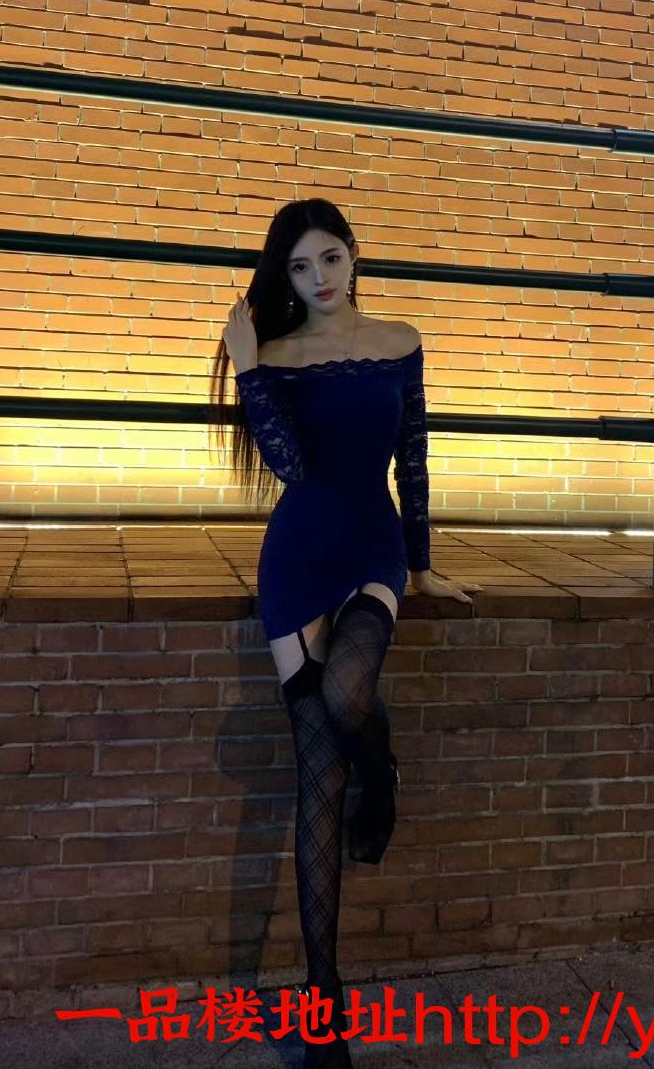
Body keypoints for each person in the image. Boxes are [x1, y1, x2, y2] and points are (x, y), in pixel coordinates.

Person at [210, 197, 481, 1067]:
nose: (318, 278)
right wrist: (249, 369)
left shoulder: (401, 342)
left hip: (372, 546)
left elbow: (414, 456)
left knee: (348, 687)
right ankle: (323, 1002)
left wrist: (422, 563)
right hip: (297, 557)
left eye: (329, 257)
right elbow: (290, 467)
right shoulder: (279, 357)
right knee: (317, 775)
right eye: (298, 267)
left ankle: (382, 769)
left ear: (355, 254)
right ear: (284, 277)